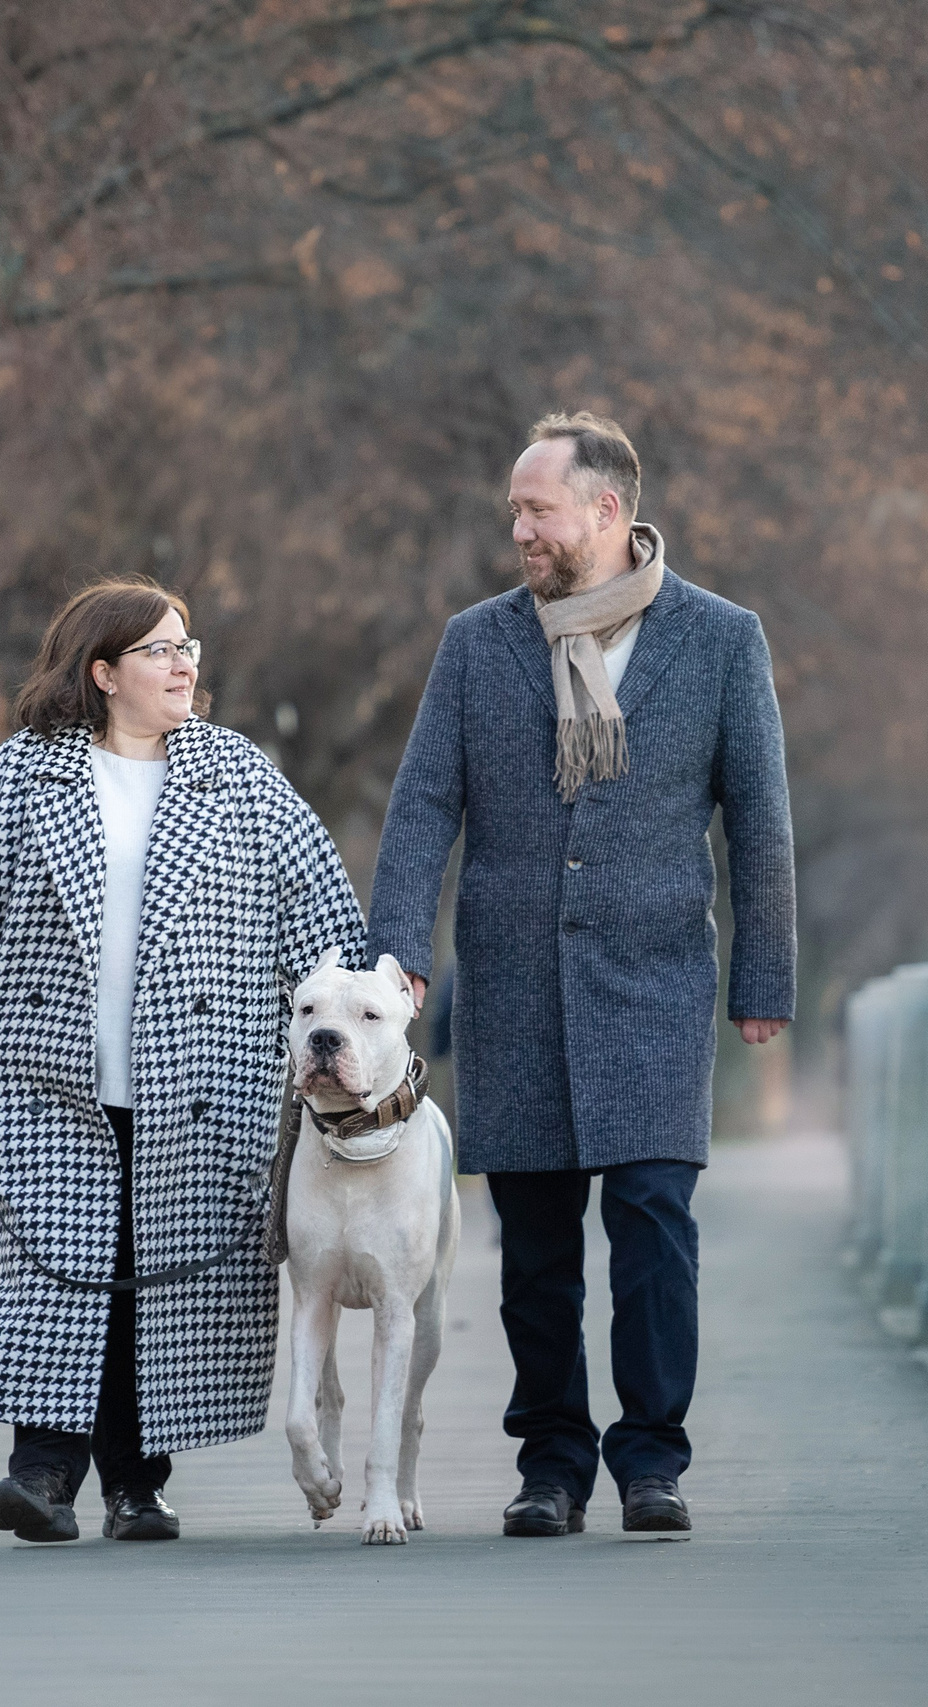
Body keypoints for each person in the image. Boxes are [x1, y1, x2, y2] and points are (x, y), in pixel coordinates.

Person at [366, 411, 796, 1538]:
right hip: (509, 985)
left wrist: (766, 977)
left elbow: (757, 820)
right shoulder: (476, 643)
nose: (519, 529)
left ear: (606, 512)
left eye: (536, 510)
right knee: (538, 1248)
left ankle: (651, 1459)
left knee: (653, 1223)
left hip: (656, 980)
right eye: (514, 511)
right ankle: (550, 1463)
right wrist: (401, 953)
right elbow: (422, 807)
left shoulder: (719, 639)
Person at [0, 578, 366, 1543]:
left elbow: (322, 915)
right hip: (37, 1073)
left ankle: (136, 1483)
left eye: (189, 646)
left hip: (203, 1080)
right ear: (104, 671)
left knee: (150, 1268)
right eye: (162, 649)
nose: (185, 663)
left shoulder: (238, 776)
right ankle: (39, 1475)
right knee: (60, 1269)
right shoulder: (16, 779)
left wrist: (346, 1045)